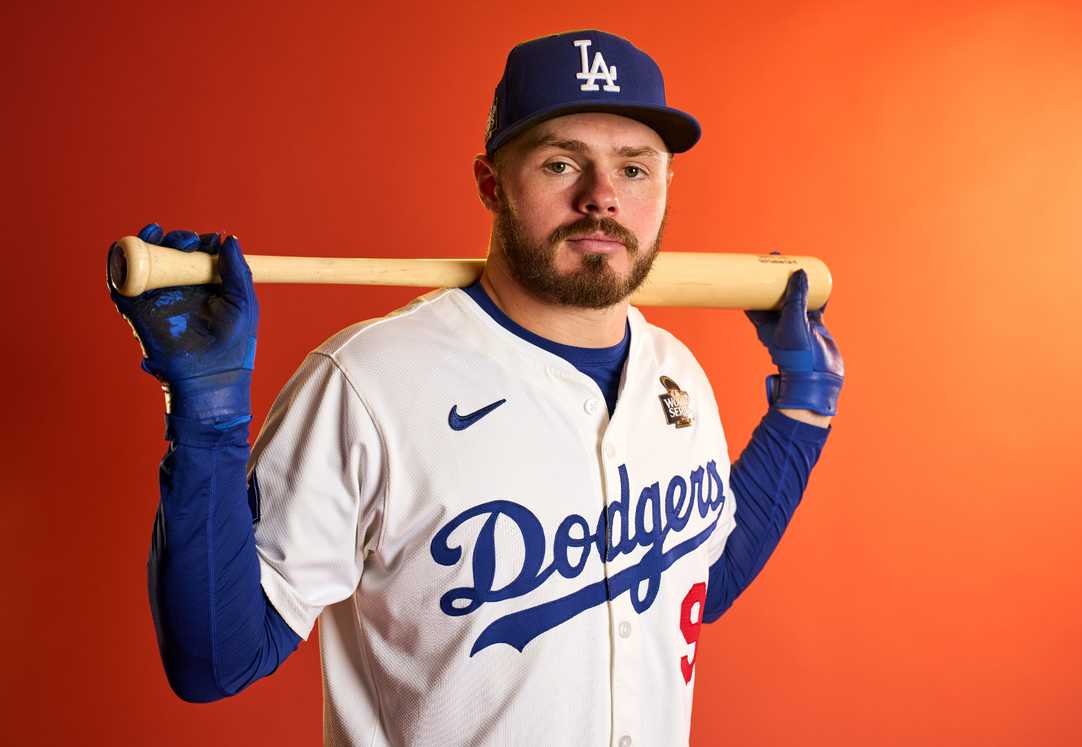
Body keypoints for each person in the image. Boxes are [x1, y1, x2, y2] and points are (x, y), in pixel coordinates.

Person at [109, 29, 843, 747]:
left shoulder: (676, 372)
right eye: (561, 164)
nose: (602, 198)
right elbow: (215, 662)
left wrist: (801, 411)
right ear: (491, 185)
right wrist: (207, 423)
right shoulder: (367, 382)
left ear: (665, 186)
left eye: (634, 169)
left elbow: (693, 585)